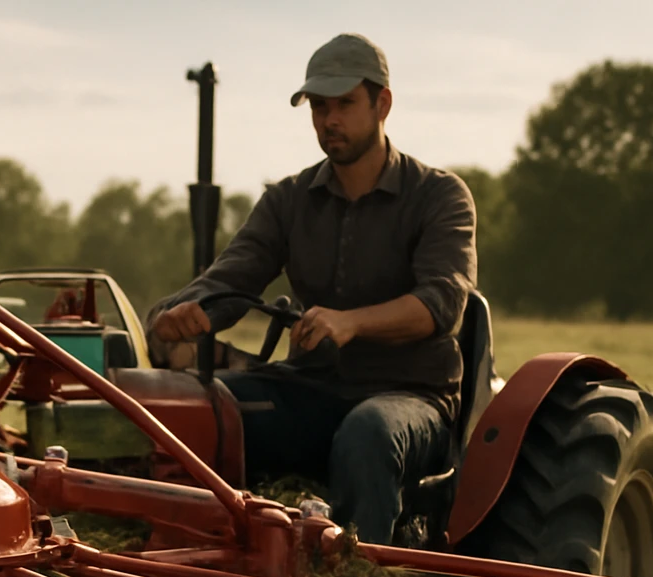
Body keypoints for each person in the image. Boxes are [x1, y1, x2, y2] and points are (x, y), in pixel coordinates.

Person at [146, 33, 476, 544]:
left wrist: (351, 322)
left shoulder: (439, 195)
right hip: (312, 388)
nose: (329, 120)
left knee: (368, 433)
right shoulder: (289, 199)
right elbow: (231, 278)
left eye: (344, 104)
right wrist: (176, 315)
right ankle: (193, 570)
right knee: (198, 413)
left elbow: (442, 305)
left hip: (411, 397)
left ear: (382, 103)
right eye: (320, 107)